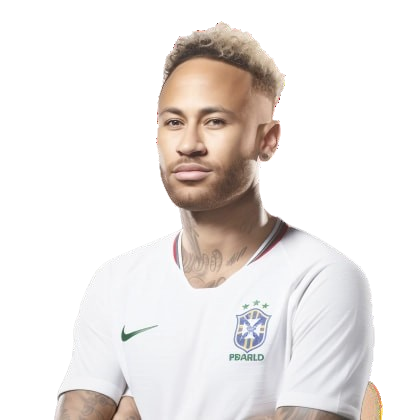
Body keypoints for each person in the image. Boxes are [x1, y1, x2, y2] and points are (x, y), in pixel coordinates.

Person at [55, 22, 375, 420]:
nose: (189, 144)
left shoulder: (322, 277)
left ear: (267, 140)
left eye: (215, 121)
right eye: (174, 122)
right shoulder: (116, 279)